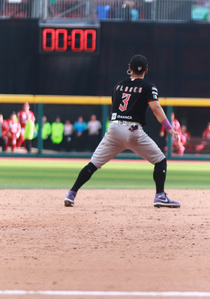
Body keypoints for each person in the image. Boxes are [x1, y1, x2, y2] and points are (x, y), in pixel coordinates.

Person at [63, 54, 180, 208]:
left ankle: (71, 193)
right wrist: (170, 129)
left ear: (129, 69)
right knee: (160, 160)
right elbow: (156, 108)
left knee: (93, 164)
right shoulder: (148, 87)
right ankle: (160, 196)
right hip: (133, 130)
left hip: (115, 128)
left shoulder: (118, 86)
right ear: (146, 70)